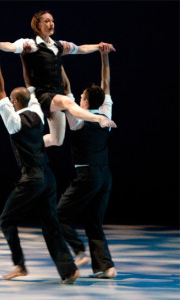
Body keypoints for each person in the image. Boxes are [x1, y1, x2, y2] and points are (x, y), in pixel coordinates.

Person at [0, 42, 79, 284]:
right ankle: (68, 270)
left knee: (6, 220)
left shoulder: (13, 121)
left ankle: (20, 266)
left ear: (15, 103)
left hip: (32, 179)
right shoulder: (38, 111)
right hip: (48, 177)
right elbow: (29, 87)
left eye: (12, 101)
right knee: (50, 225)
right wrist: (22, 58)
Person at [0, 10, 116, 148]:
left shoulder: (59, 45)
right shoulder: (31, 44)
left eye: (52, 21)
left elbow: (80, 49)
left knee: (57, 140)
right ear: (38, 25)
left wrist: (100, 47)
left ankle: (28, 145)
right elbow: (12, 46)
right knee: (67, 102)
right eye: (47, 21)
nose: (51, 24)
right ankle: (99, 119)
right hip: (42, 94)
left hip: (56, 94)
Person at [56, 48, 117, 278]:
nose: (78, 99)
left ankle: (78, 249)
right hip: (105, 176)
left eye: (81, 97)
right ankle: (106, 267)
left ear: (86, 100)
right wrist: (104, 56)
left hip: (88, 177)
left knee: (58, 215)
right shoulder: (105, 112)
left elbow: (66, 88)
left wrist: (58, 59)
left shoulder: (78, 119)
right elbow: (106, 82)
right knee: (94, 223)